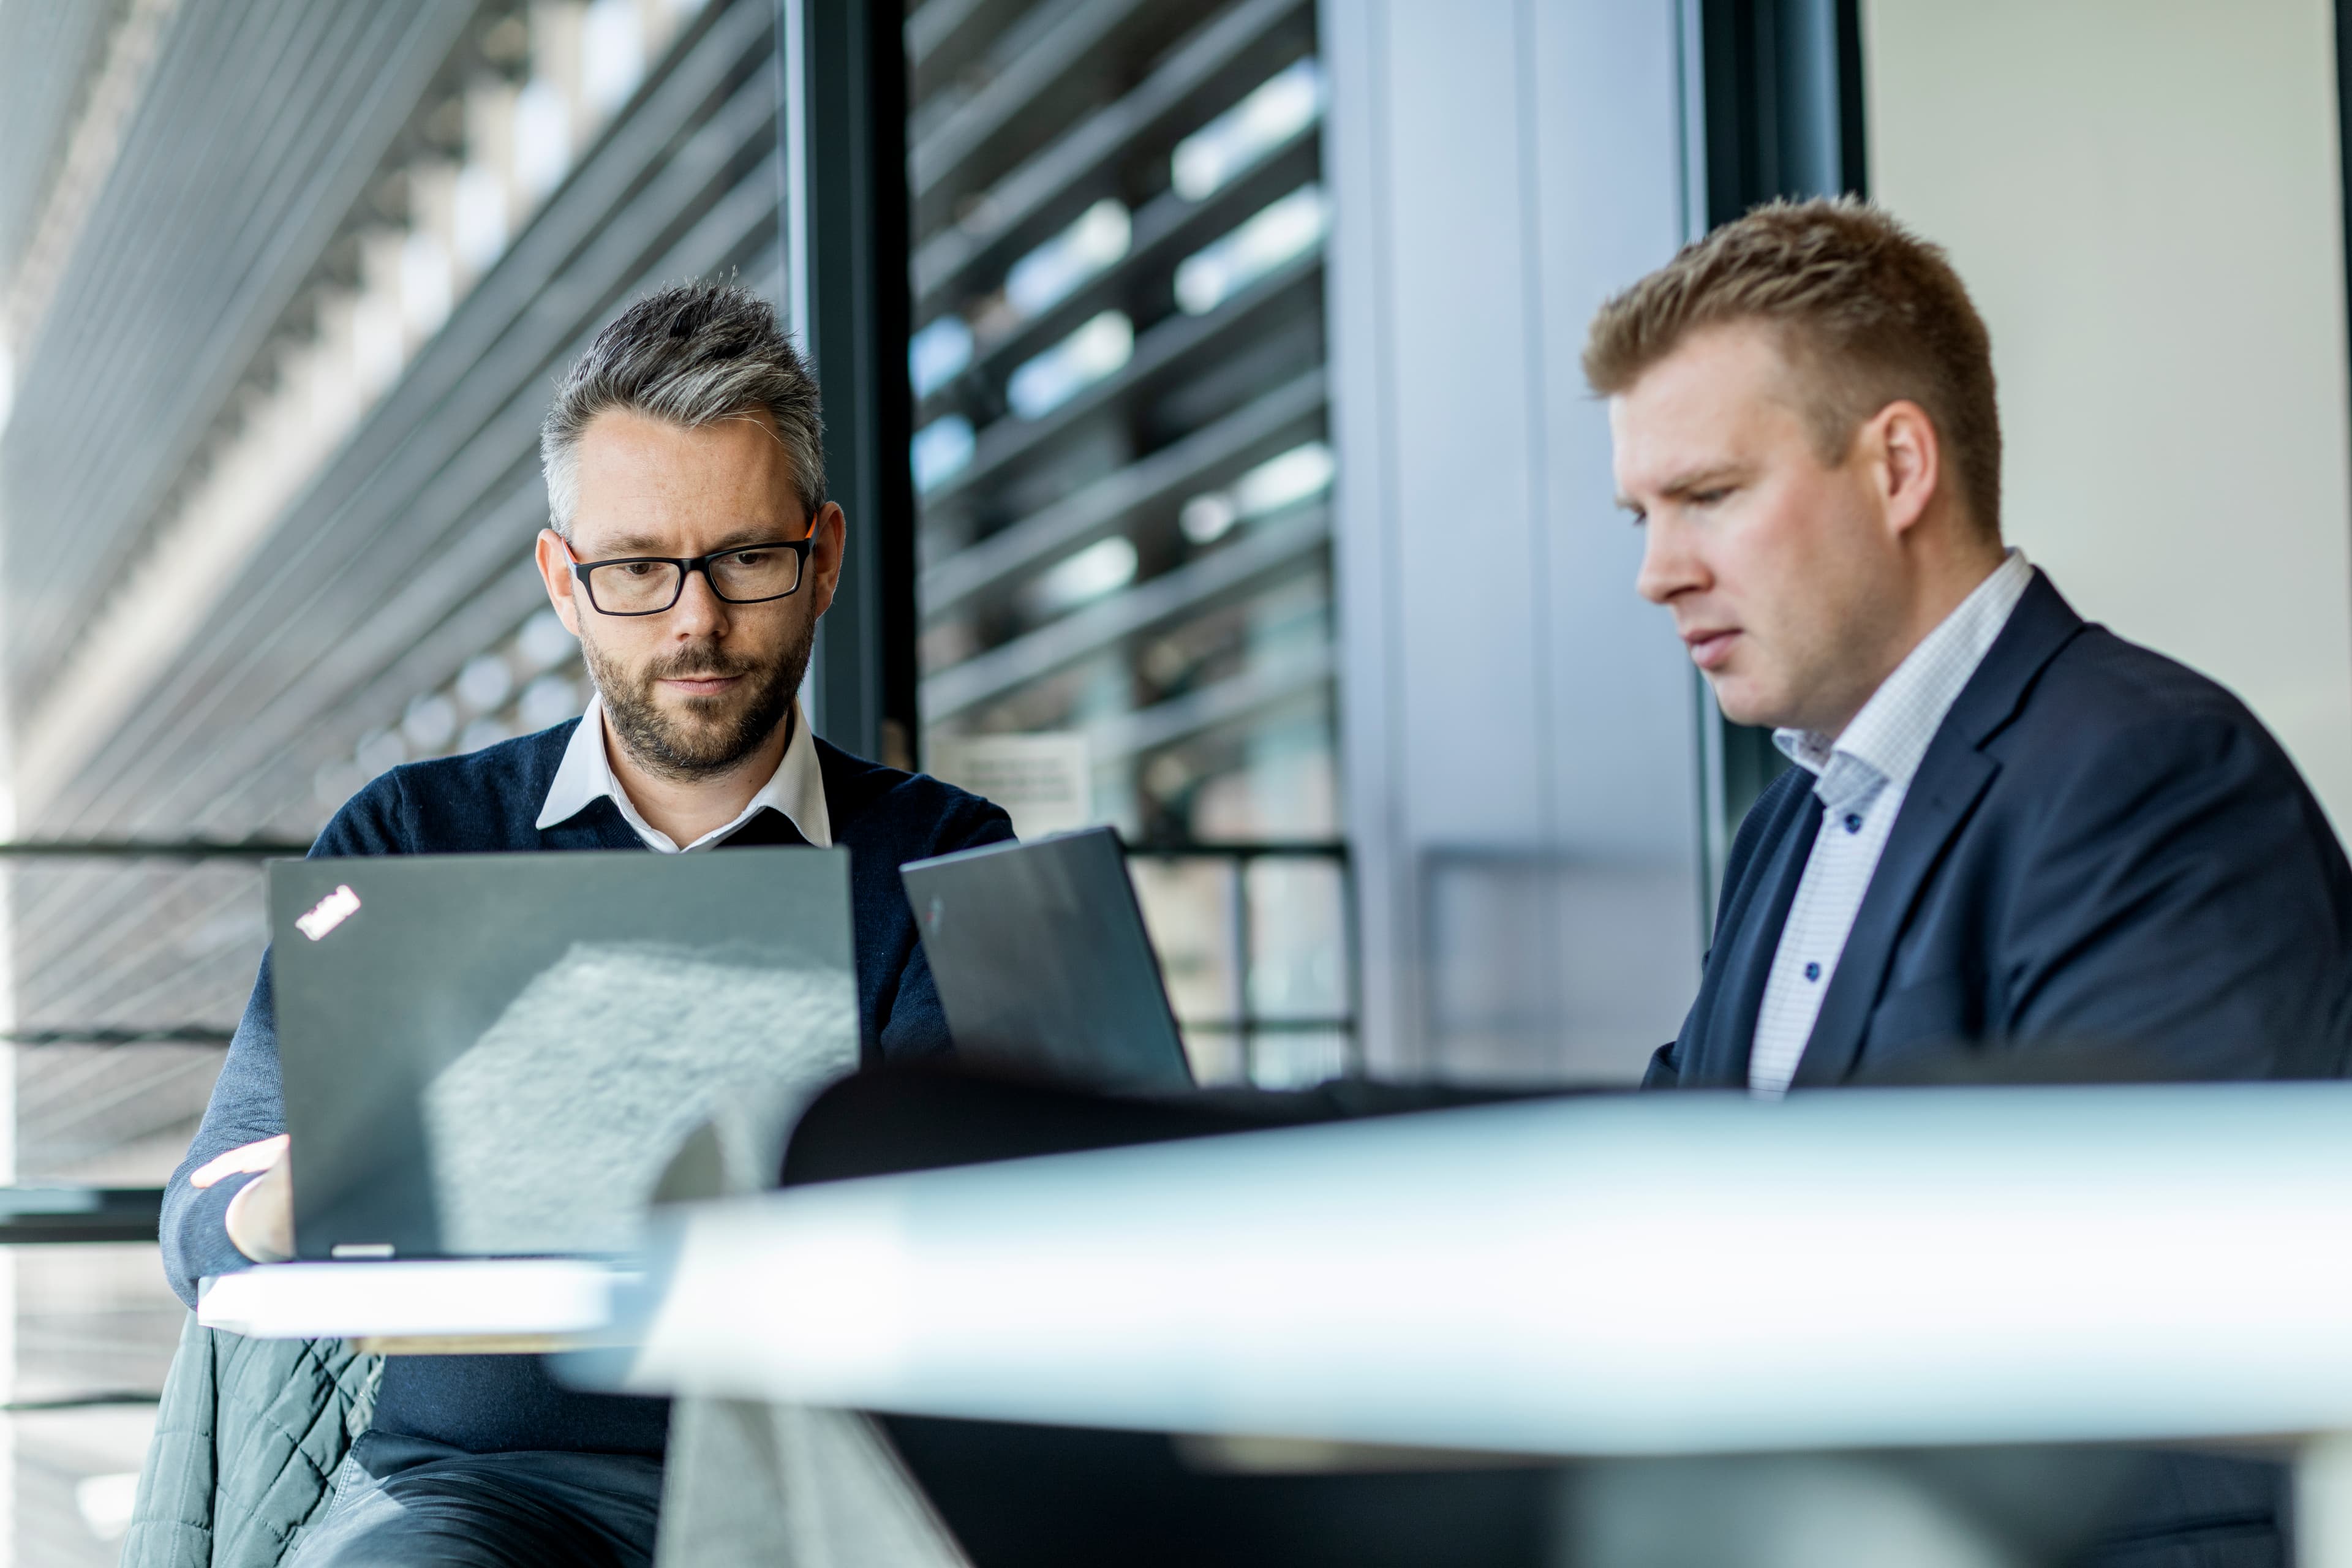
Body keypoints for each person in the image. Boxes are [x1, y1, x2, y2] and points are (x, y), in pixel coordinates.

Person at [158, 282, 1012, 1566]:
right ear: (564, 579)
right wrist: (316, 1188)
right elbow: (199, 1217)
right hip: (482, 1491)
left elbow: (981, 1215)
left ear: (822, 555)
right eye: (634, 568)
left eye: (745, 557)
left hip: (833, 1481)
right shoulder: (410, 842)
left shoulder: (943, 855)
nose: (695, 618)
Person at [1589, 198, 2351, 1562]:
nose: (1657, 572)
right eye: (1641, 512)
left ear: (1896, 467)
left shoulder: (2152, 772)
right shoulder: (1792, 823)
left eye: (1707, 495)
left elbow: (2151, 1300)